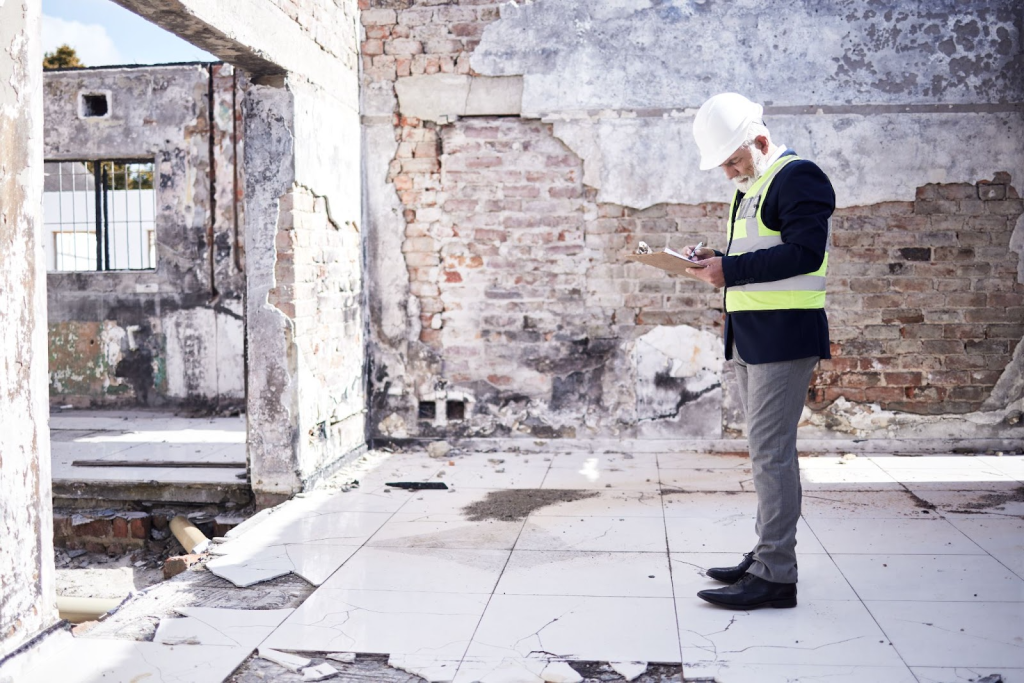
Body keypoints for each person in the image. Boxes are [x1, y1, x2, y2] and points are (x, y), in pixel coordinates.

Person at [683, 93, 835, 610]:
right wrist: (718, 257)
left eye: (733, 161)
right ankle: (767, 556)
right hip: (752, 335)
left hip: (784, 337)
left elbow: (805, 253)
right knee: (765, 452)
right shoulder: (753, 186)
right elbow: (760, 252)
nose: (728, 173)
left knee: (771, 454)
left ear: (761, 141)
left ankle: (776, 575)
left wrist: (731, 269)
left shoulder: (799, 177)